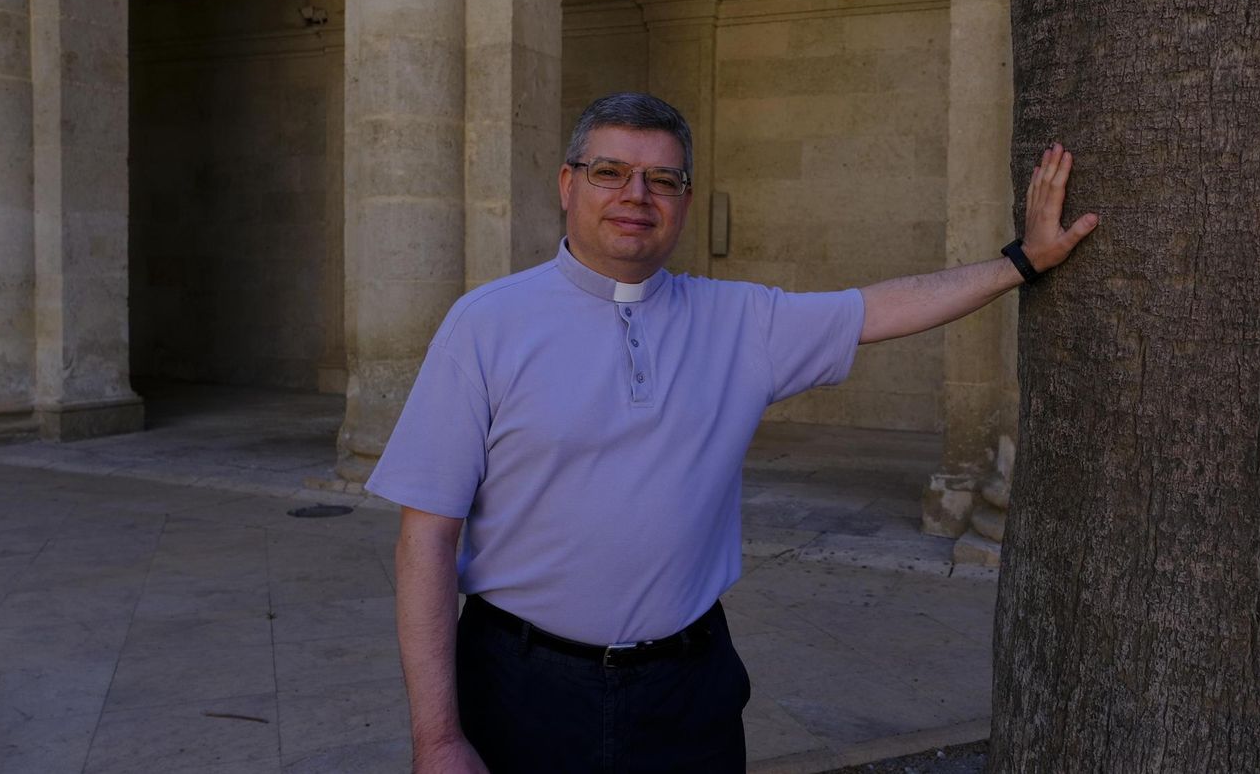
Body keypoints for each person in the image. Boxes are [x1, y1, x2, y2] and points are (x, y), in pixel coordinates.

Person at [366, 92, 1098, 773]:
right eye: (610, 172)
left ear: (684, 200)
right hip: (522, 687)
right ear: (567, 184)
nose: (635, 196)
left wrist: (1021, 263)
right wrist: (438, 736)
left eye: (662, 180)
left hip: (689, 693)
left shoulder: (740, 321)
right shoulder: (486, 325)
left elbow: (880, 308)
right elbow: (426, 536)